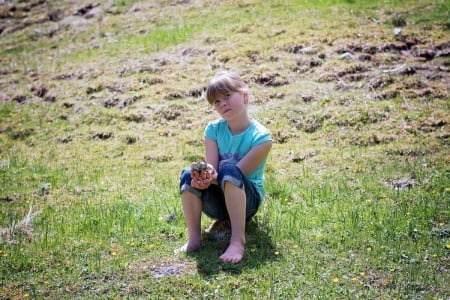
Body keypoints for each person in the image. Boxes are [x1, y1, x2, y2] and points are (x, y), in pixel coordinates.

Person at [177, 71, 272, 263]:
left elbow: (238, 173)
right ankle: (194, 238)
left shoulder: (262, 138)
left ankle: (238, 240)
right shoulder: (213, 130)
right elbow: (212, 169)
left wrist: (214, 177)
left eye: (227, 96)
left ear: (245, 95)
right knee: (189, 174)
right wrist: (204, 178)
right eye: (217, 102)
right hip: (218, 204)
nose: (223, 103)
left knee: (231, 170)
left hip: (247, 202)